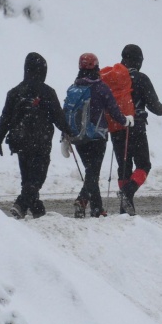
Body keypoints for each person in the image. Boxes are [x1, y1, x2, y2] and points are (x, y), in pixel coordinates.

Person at [0, 52, 66, 218]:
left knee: (27, 178)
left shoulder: (14, 92)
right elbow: (58, 117)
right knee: (37, 179)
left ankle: (37, 210)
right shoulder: (47, 92)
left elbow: (5, 119)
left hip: (20, 142)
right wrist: (69, 131)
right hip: (41, 142)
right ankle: (21, 204)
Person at [63, 53, 127, 218]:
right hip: (97, 136)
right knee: (93, 173)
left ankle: (97, 209)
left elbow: (65, 113)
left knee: (91, 172)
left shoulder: (73, 88)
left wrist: (64, 136)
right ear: (97, 67)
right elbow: (114, 110)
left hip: (78, 138)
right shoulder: (101, 88)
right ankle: (82, 200)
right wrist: (125, 121)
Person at [115, 44, 162, 215]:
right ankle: (127, 192)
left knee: (124, 167)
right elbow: (154, 106)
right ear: (138, 61)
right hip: (136, 127)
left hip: (116, 127)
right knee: (144, 165)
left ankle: (125, 210)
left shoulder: (114, 77)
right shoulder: (141, 78)